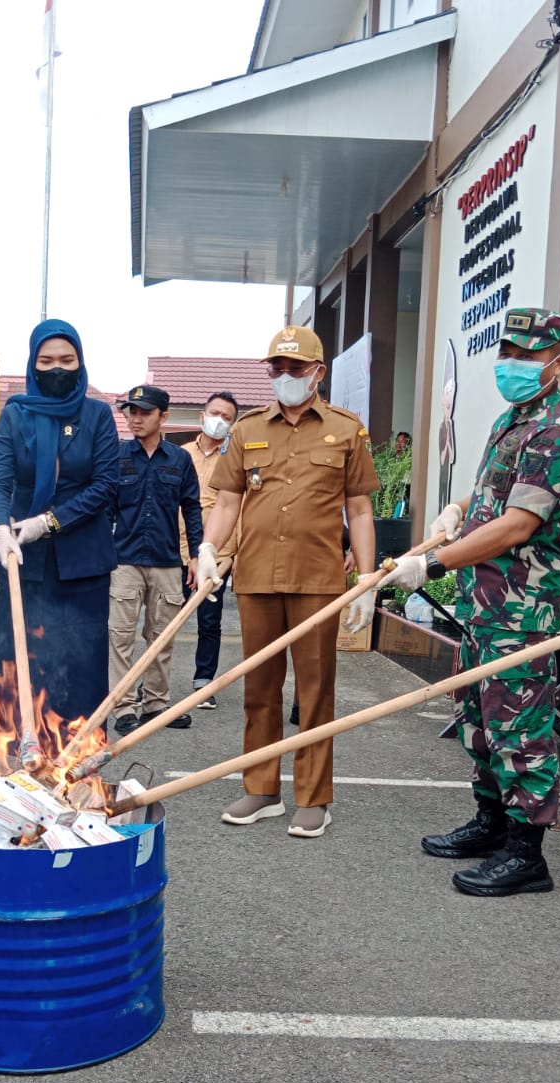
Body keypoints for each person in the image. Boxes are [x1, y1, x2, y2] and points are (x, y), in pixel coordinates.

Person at [388, 307, 560, 896]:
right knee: (478, 717)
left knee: (519, 725)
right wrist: (457, 513)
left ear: (558, 363)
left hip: (520, 609)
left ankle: (527, 854)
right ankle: (491, 822)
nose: (513, 365)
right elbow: (494, 500)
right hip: (484, 604)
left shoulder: (556, 430)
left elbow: (517, 526)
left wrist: (432, 563)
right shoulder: (514, 419)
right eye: (508, 353)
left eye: (527, 357)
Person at [195, 325, 378, 839]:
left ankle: (314, 796)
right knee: (260, 686)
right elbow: (228, 501)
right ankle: (261, 787)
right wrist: (209, 549)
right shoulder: (249, 429)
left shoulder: (346, 430)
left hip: (318, 578)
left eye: (295, 368)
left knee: (315, 691)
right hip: (255, 576)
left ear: (318, 372)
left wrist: (367, 578)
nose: (284, 376)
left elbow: (359, 509)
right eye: (276, 367)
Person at [0, 319, 120, 725]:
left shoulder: (97, 415)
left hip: (83, 566)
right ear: (32, 363)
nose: (57, 368)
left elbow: (106, 486)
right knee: (21, 662)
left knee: (81, 664)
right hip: (24, 562)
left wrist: (50, 521)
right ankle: (18, 757)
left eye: (67, 359)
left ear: (80, 362)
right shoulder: (15, 415)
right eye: (46, 360)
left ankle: (76, 760)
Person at [108, 384, 202, 733]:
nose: (136, 418)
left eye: (144, 412)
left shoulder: (179, 460)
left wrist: (195, 555)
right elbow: (105, 510)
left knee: (161, 637)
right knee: (120, 637)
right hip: (125, 560)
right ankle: (123, 708)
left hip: (165, 561)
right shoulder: (117, 456)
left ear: (163, 417)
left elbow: (192, 508)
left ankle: (155, 705)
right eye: (131, 411)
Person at [184, 391, 239, 706]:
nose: (219, 420)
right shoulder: (180, 455)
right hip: (179, 550)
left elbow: (237, 510)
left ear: (233, 425)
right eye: (214, 413)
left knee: (209, 620)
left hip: (217, 555)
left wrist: (230, 554)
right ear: (201, 416)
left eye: (227, 417)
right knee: (162, 621)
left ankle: (203, 683)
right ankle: (152, 687)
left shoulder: (234, 459)